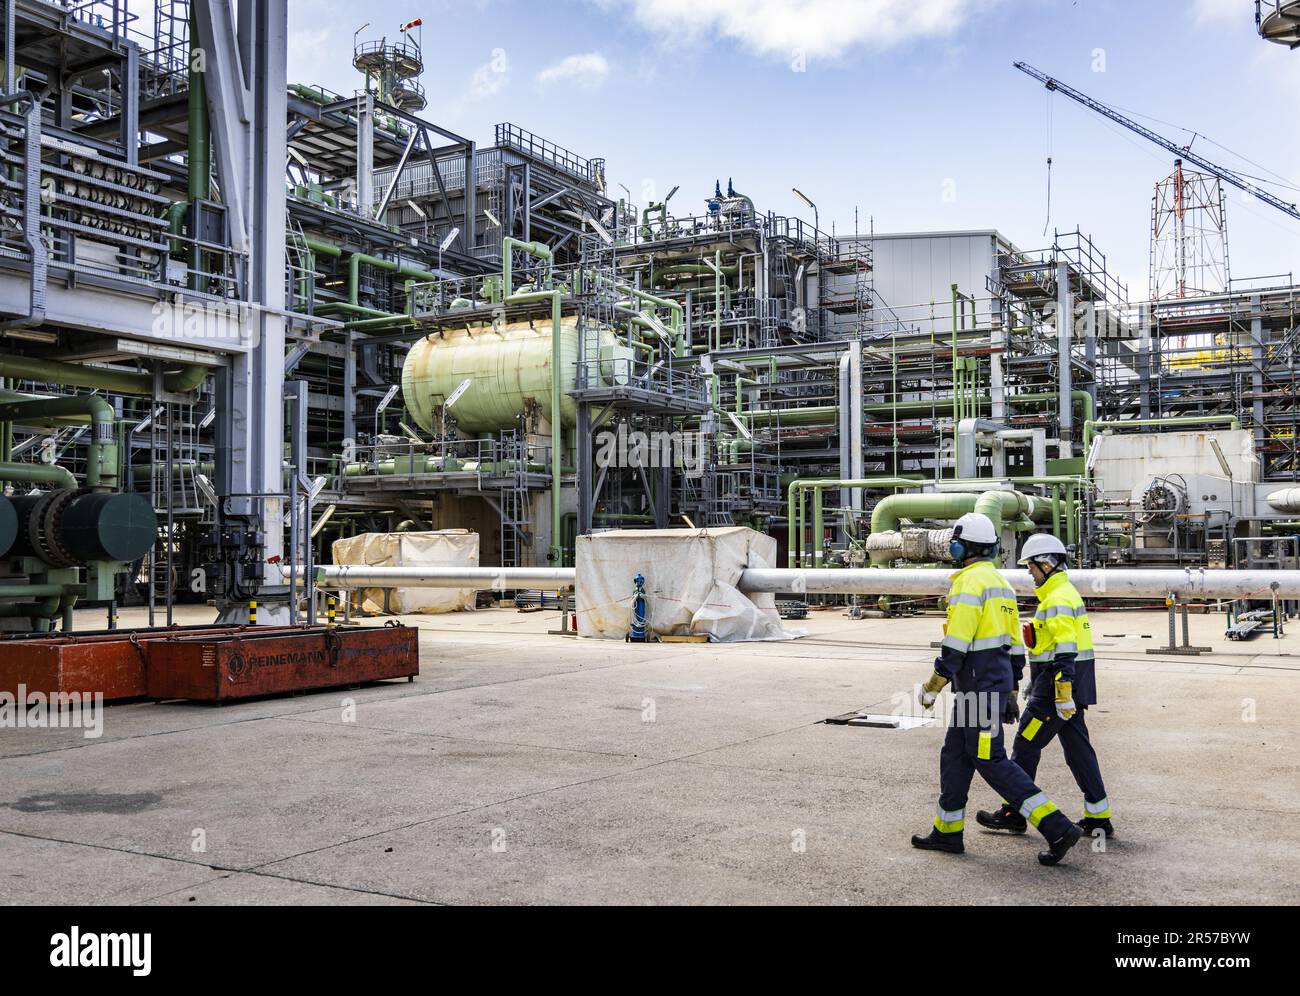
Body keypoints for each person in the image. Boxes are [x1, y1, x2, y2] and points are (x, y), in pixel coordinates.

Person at [911, 512, 1083, 866]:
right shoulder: (1001, 585)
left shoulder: (968, 583)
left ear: (968, 547)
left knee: (990, 760)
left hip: (976, 690)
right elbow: (1016, 646)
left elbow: (956, 644)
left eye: (956, 541)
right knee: (955, 756)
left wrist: (933, 685)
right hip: (987, 688)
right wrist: (1010, 688)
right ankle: (947, 832)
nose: (953, 547)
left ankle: (1057, 826)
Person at [977, 533, 1114, 838]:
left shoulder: (1057, 599)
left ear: (1047, 564)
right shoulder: (1061, 594)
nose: (1029, 572)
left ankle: (1013, 812)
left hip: (1055, 692)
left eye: (1031, 566)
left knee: (1025, 745)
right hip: (1062, 688)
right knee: (1078, 750)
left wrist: (1060, 689)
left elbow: (1066, 648)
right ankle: (1098, 816)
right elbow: (1054, 645)